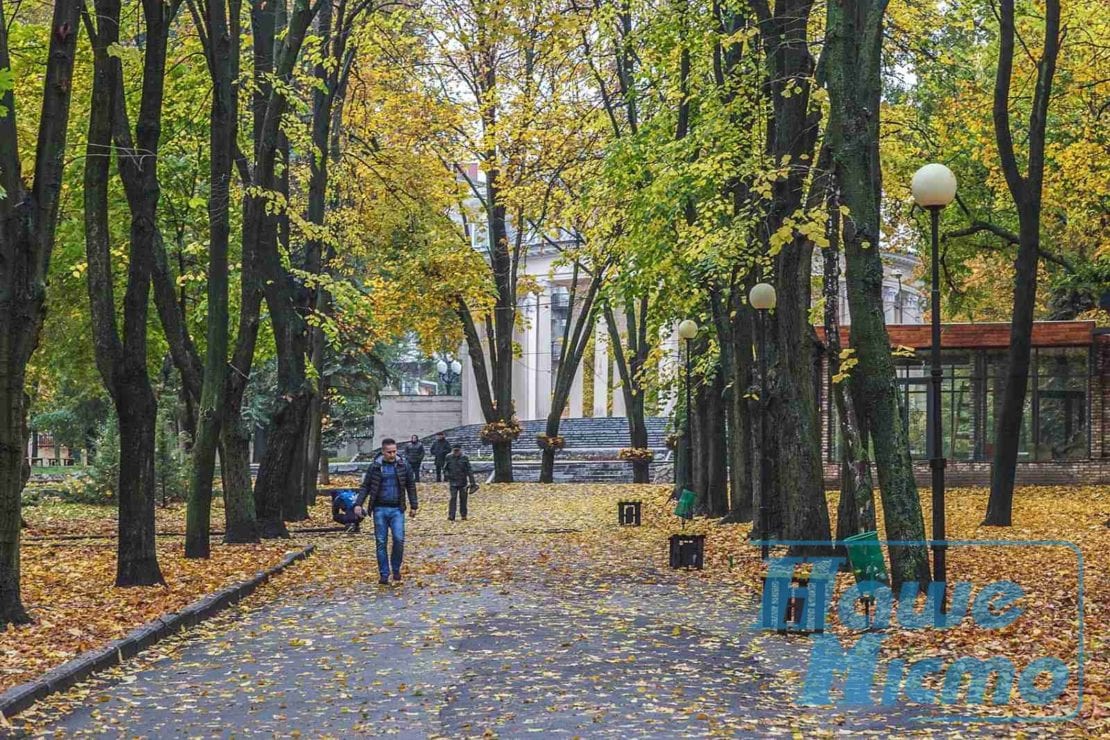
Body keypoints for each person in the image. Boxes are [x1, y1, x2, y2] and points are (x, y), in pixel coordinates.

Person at [355, 438, 418, 585]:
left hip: (397, 509)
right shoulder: (375, 466)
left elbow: (411, 485)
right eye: (389, 452)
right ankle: (384, 573)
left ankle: (395, 569)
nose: (392, 454)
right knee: (381, 541)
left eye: (394, 451)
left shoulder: (403, 465)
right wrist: (358, 504)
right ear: (383, 451)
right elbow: (366, 486)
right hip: (379, 509)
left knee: (399, 539)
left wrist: (414, 506)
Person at [443, 445, 477, 521]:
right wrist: (447, 475)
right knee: (453, 498)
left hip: (463, 482)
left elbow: (469, 470)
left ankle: (463, 515)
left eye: (457, 451)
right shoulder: (448, 457)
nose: (456, 452)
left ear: (460, 450)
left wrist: (472, 482)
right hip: (453, 481)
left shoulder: (464, 458)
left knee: (463, 499)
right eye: (455, 451)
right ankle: (451, 515)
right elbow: (445, 468)